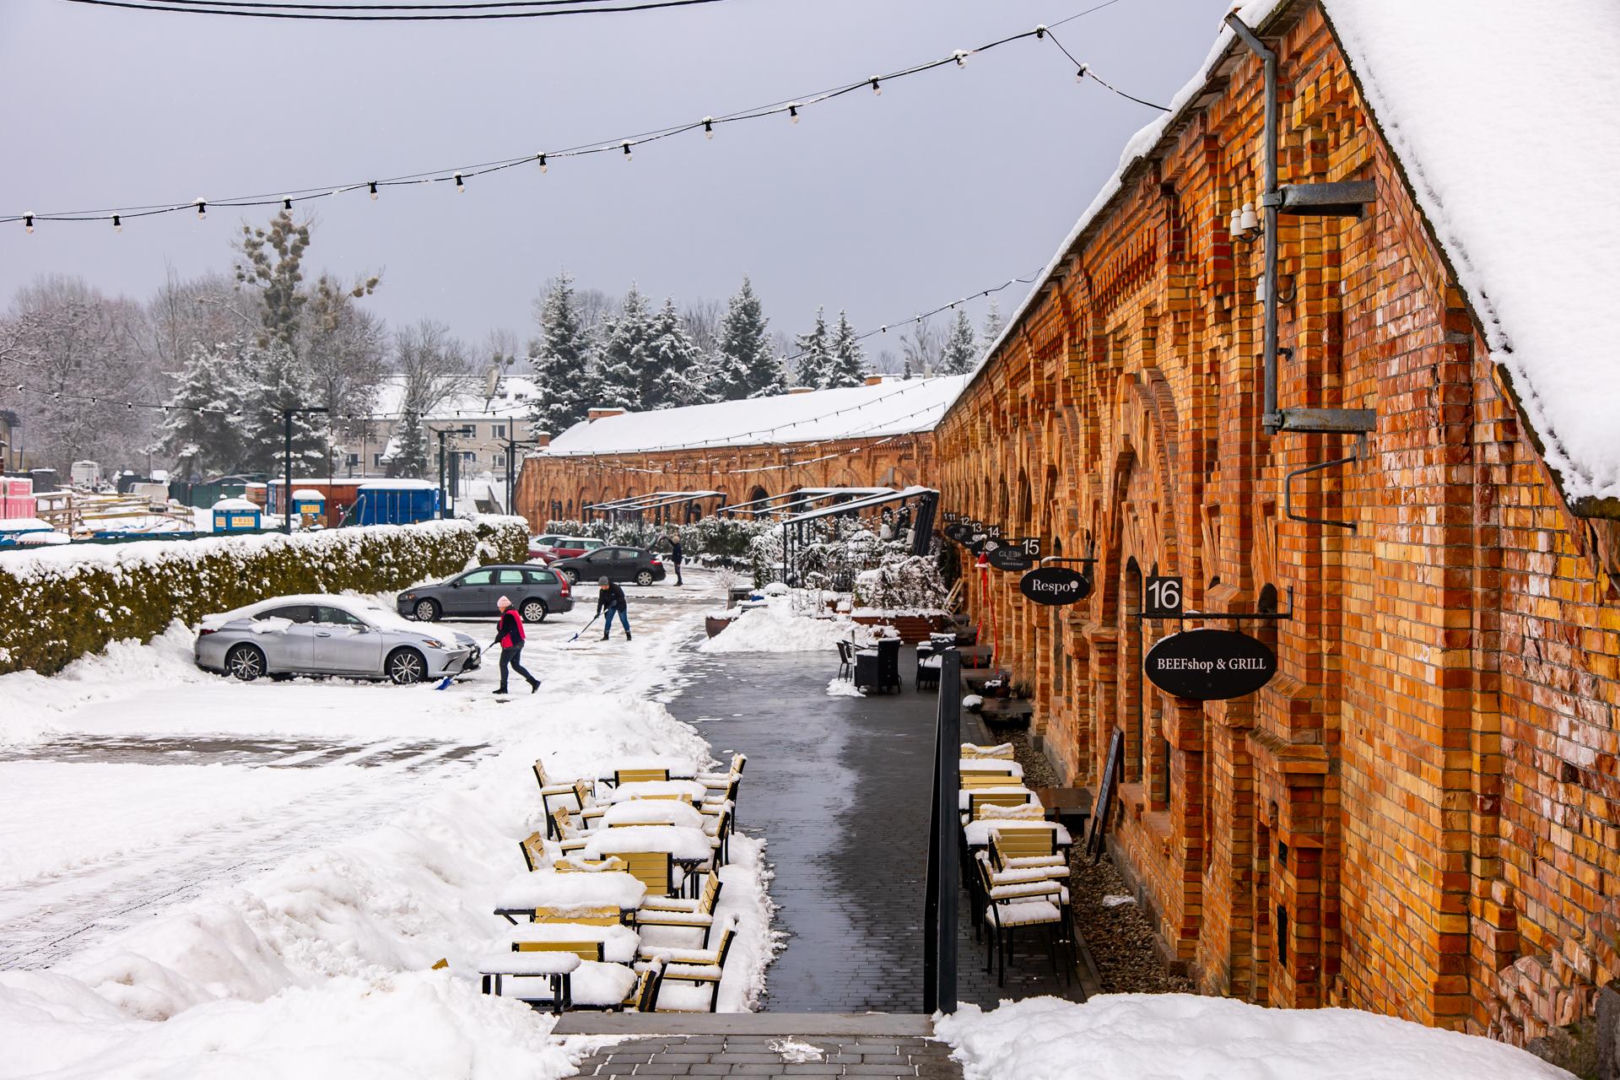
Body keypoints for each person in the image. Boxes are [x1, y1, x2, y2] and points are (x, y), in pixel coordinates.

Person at [491, 595, 540, 694]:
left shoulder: (508, 615)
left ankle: (504, 688)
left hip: (511, 645)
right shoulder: (513, 612)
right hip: (519, 642)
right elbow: (508, 627)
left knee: (503, 664)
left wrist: (498, 638)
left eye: (499, 606)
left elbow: (505, 630)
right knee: (516, 665)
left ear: (503, 606)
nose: (499, 608)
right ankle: (534, 682)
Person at [597, 576, 631, 641]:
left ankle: (628, 634)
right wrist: (598, 612)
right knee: (608, 620)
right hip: (610, 606)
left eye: (602, 586)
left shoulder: (615, 587)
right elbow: (600, 602)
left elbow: (622, 596)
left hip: (620, 605)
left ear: (606, 584)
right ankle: (606, 636)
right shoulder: (602, 591)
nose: (601, 587)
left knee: (623, 619)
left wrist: (616, 601)